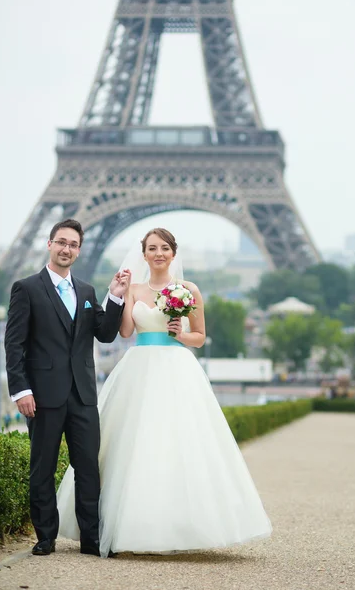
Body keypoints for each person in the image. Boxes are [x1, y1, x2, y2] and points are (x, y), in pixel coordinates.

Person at [57, 228, 272, 557]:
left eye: (165, 248)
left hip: (176, 367)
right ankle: (131, 526)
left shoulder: (189, 290)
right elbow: (126, 331)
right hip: (140, 366)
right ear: (143, 254)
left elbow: (199, 336)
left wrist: (180, 334)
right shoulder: (136, 289)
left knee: (177, 442)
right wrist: (121, 294)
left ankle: (176, 527)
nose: (159, 253)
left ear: (174, 253)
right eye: (152, 248)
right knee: (134, 442)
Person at [4, 219, 129, 557]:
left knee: (88, 467)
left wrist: (115, 298)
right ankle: (46, 537)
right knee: (42, 467)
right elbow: (14, 345)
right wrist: (20, 390)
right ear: (49, 244)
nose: (67, 249)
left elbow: (104, 333)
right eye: (61, 242)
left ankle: (91, 538)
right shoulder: (26, 288)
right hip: (42, 396)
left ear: (79, 250)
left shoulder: (87, 292)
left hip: (83, 395)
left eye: (73, 245)